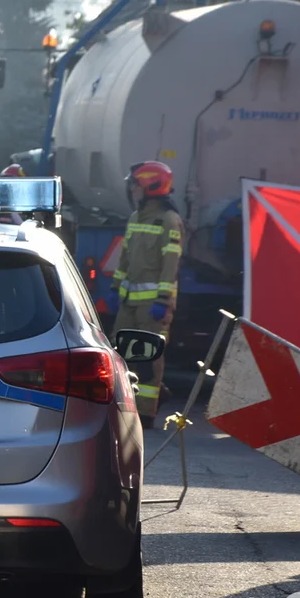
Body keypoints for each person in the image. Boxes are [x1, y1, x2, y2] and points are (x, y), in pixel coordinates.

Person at [111, 161, 184, 428]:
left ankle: (147, 412)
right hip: (129, 302)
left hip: (153, 305)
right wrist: (114, 287)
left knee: (150, 357)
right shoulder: (135, 218)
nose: (132, 190)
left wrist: (163, 301)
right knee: (120, 352)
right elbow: (126, 258)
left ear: (152, 187)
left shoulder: (169, 221)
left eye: (135, 185)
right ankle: (124, 404)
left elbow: (170, 266)